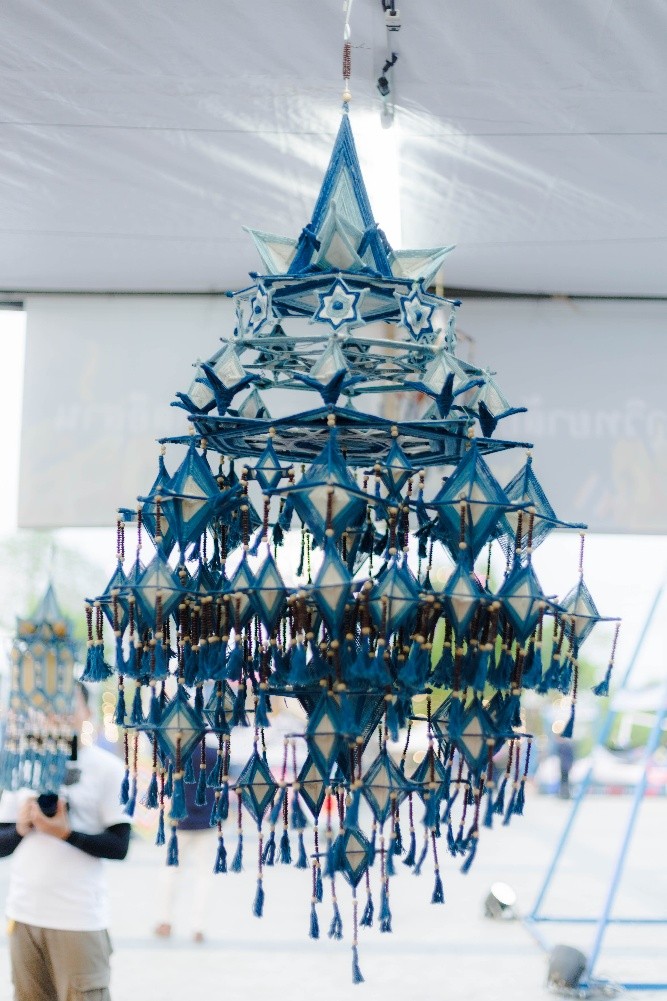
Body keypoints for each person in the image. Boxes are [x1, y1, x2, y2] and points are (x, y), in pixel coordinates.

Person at [0, 682, 131, 1001]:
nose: (58, 714)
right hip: (24, 915)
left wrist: (66, 834)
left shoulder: (109, 768)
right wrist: (21, 828)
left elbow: (119, 847)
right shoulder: (22, 766)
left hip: (78, 919)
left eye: (68, 705)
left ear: (87, 712)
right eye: (50, 705)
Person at [154, 740, 218, 943]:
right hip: (207, 820)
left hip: (180, 821)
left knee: (171, 871)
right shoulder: (214, 754)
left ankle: (165, 920)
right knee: (204, 875)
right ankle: (199, 927)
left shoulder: (174, 753)